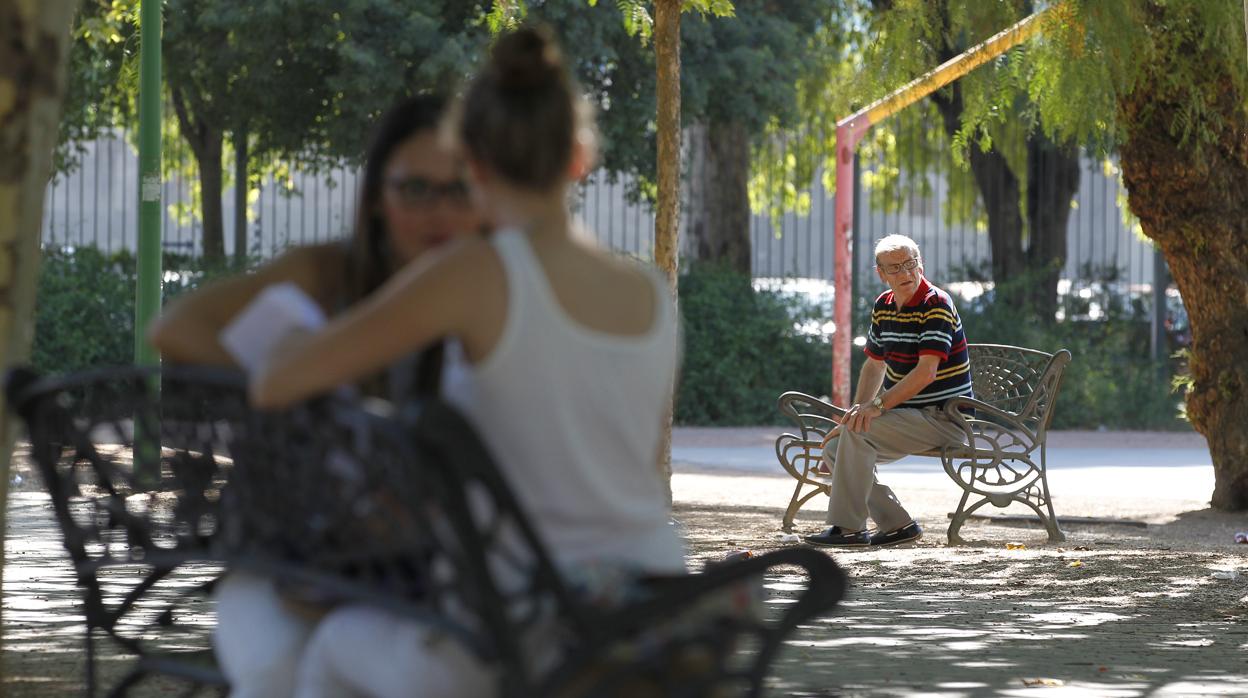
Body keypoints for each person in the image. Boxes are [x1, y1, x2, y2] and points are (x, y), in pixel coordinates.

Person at [247, 25, 685, 697]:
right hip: (651, 618)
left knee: (330, 649)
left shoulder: (475, 273)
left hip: (524, 631)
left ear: (470, 162)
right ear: (579, 156)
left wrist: (289, 324)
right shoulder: (650, 293)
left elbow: (280, 381)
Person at [148, 95, 484, 698]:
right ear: (378, 198)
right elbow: (176, 326)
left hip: (416, 581)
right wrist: (301, 384)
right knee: (282, 672)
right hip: (284, 568)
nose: (439, 212)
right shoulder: (327, 273)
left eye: (459, 190)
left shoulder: (491, 300)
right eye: (416, 189)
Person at [804, 234, 973, 549]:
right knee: (837, 444)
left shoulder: (935, 303)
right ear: (880, 273)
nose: (906, 273)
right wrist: (852, 414)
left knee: (854, 436)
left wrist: (877, 407)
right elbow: (873, 367)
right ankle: (899, 525)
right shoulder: (883, 306)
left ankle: (848, 529)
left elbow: (926, 372)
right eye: (895, 268)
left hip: (945, 419)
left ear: (920, 264)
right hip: (907, 416)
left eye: (911, 264)